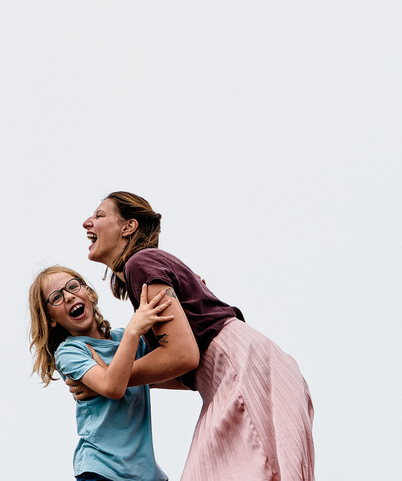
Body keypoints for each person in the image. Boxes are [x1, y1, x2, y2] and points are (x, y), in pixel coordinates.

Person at [71, 191, 314, 481]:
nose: (88, 222)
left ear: (128, 227)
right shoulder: (148, 267)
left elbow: (183, 356)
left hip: (241, 368)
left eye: (99, 215)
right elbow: (187, 367)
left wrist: (112, 379)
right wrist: (116, 379)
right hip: (245, 368)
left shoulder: (140, 264)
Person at [28, 265, 179, 481]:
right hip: (102, 471)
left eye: (72, 287)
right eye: (56, 298)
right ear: (50, 319)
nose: (69, 297)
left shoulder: (125, 340)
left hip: (147, 474)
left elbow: (174, 369)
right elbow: (113, 387)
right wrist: (134, 330)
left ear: (88, 292)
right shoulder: (70, 351)